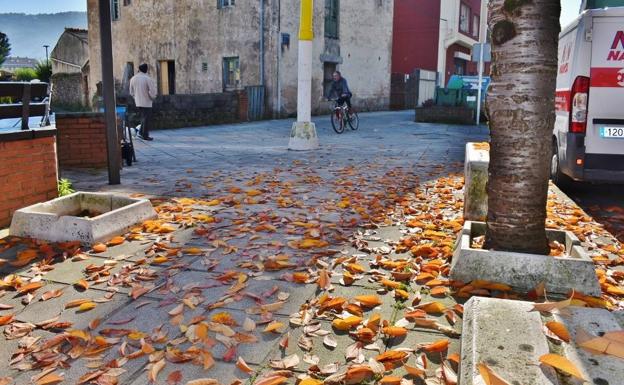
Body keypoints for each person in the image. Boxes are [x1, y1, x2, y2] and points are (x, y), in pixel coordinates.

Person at [129, 63, 157, 141]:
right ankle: (144, 135)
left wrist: (136, 97)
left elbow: (131, 92)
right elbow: (152, 91)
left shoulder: (133, 78)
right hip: (147, 102)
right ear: (146, 69)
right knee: (146, 119)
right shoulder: (147, 78)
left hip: (138, 102)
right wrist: (152, 97)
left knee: (143, 118)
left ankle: (141, 133)